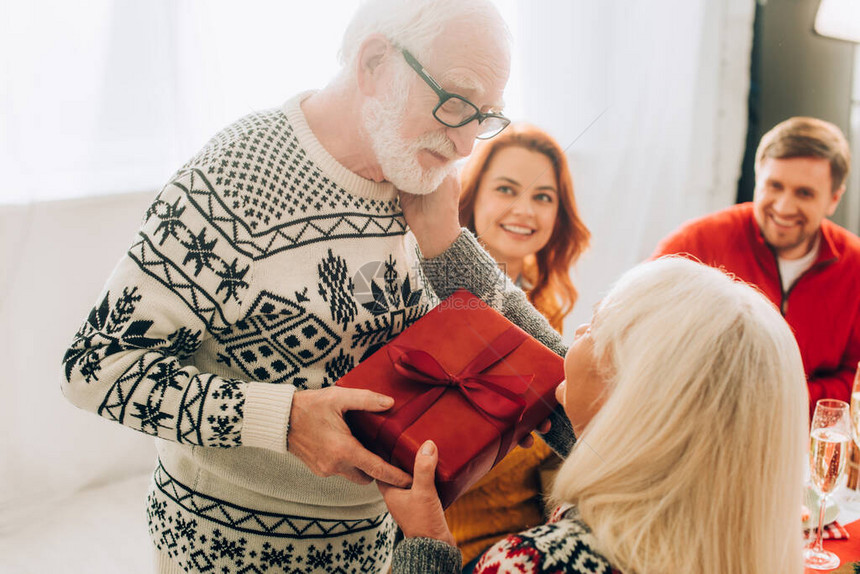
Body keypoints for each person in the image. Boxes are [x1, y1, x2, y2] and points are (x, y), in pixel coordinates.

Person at [60, 1, 576, 572]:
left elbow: (527, 357)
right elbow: (93, 367)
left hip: (376, 546)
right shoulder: (235, 178)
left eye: (484, 118)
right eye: (456, 104)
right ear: (375, 62)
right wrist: (283, 419)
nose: (464, 147)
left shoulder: (423, 177)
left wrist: (450, 247)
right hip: (226, 548)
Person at [381, 256, 809, 574]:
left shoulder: (533, 563)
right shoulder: (735, 531)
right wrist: (445, 243)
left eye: (596, 323)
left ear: (630, 392)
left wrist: (426, 544)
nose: (578, 335)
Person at [447, 124, 590, 569]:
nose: (525, 210)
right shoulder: (440, 306)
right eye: (507, 189)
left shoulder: (546, 298)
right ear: (471, 200)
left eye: (543, 197)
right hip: (465, 545)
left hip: (540, 533)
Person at [652, 117, 860, 415]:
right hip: (701, 424)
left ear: (833, 200)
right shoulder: (694, 243)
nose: (784, 207)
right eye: (774, 186)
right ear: (757, 176)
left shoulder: (856, 266)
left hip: (804, 438)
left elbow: (857, 377)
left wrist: (792, 395)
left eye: (804, 193)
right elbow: (633, 328)